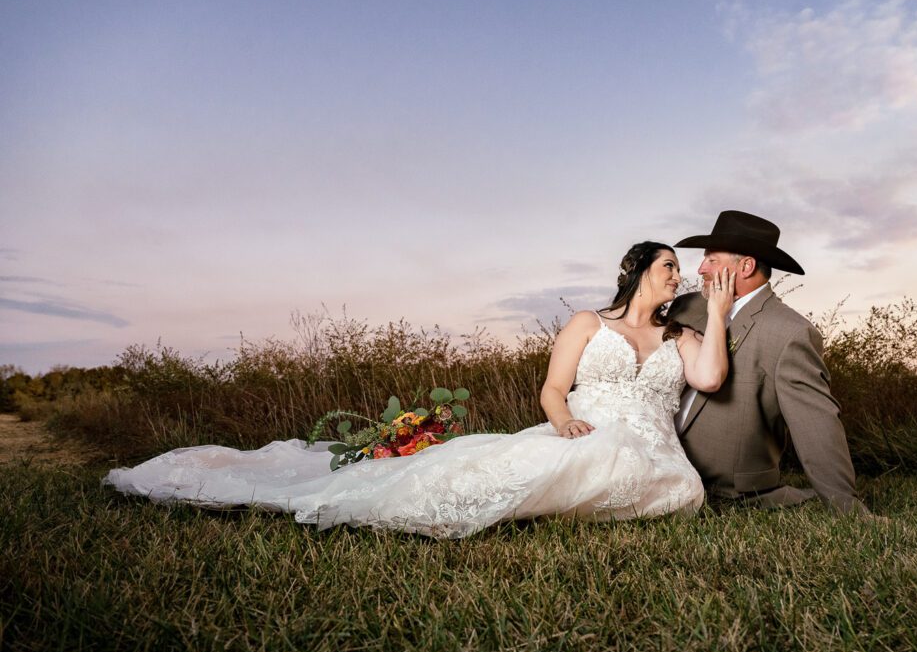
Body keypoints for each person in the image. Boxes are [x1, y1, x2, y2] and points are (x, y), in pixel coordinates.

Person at [104, 242, 735, 538]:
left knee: (680, 493)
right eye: (668, 267)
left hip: (654, 450)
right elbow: (552, 388)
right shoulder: (586, 324)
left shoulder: (681, 335)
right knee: (493, 475)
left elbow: (708, 377)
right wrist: (563, 420)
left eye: (680, 269)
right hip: (585, 429)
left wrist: (720, 312)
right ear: (637, 275)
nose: (678, 275)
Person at [668, 210, 868, 514]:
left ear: (746, 266)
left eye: (712, 260)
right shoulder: (686, 307)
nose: (700, 268)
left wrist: (846, 507)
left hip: (730, 491)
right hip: (659, 467)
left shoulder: (789, 332)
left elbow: (816, 424)